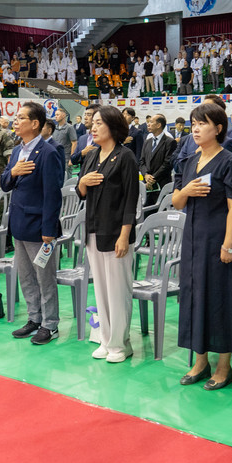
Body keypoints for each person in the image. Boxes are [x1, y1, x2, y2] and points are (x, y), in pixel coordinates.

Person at [172, 102, 232, 390]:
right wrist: (187, 190)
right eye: (193, 123)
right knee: (194, 298)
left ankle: (223, 365)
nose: (195, 128)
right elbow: (177, 201)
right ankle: (200, 360)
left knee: (220, 299)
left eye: (202, 123)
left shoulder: (230, 162)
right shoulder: (189, 162)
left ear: (218, 129)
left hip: (219, 238)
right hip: (193, 238)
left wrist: (228, 245)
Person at [76, 105, 139, 362]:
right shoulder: (91, 155)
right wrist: (82, 183)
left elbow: (130, 201)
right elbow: (81, 190)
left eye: (99, 123)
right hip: (93, 230)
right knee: (101, 289)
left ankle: (120, 344)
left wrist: (124, 236)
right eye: (93, 122)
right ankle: (105, 338)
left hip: (116, 233)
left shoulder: (125, 157)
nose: (93, 126)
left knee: (118, 290)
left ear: (113, 127)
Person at [0, 101, 64, 344]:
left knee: (44, 277)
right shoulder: (18, 151)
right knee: (26, 276)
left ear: (35, 123)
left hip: (39, 228)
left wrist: (49, 229)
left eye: (21, 118)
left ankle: (50, 324)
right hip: (19, 224)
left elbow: (52, 194)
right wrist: (14, 172)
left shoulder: (49, 153)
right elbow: (5, 183)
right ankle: (34, 317)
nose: (15, 122)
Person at [138, 113, 176, 205]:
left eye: (151, 122)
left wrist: (153, 178)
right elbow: (142, 161)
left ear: (159, 125)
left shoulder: (170, 142)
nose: (148, 124)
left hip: (162, 185)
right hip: (146, 185)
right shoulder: (147, 142)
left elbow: (167, 164)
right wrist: (146, 175)